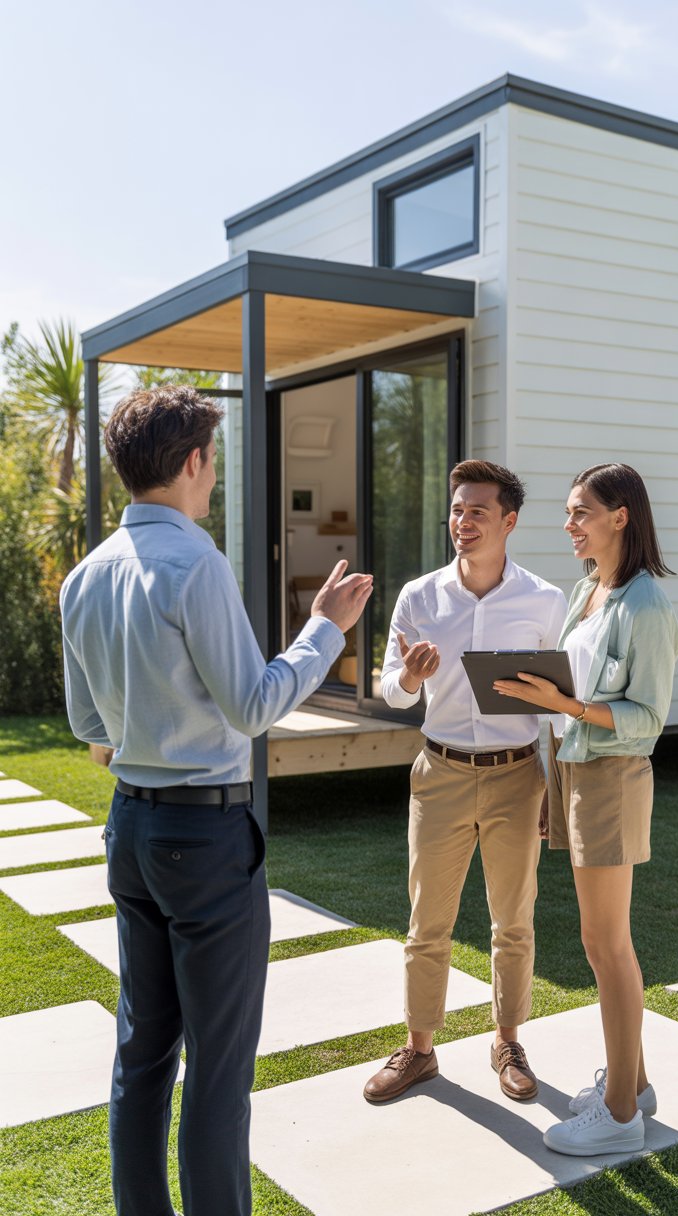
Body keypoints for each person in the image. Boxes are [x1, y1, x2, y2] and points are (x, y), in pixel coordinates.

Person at [60, 385, 372, 1216]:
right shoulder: (195, 563)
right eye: (214, 462)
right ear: (195, 461)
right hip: (202, 839)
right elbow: (254, 706)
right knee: (219, 1067)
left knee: (142, 1052)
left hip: (130, 828)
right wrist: (325, 629)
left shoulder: (85, 575)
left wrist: (150, 727)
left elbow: (87, 724)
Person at [362, 460, 567, 1104]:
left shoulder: (545, 601)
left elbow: (557, 707)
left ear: (509, 521)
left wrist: (552, 788)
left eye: (478, 510)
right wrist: (410, 678)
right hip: (441, 774)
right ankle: (419, 1051)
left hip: (517, 778)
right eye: (457, 509)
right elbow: (391, 690)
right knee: (428, 922)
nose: (463, 521)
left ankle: (507, 1043)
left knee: (514, 921)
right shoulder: (419, 597)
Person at [494, 462, 678, 1156]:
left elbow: (648, 718)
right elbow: (569, 698)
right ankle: (635, 1083)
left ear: (620, 516)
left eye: (581, 512)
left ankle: (622, 1112)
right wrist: (553, 775)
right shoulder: (588, 590)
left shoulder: (646, 606)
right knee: (598, 941)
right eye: (569, 512)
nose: (568, 524)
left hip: (612, 777)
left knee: (607, 945)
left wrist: (563, 704)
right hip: (575, 773)